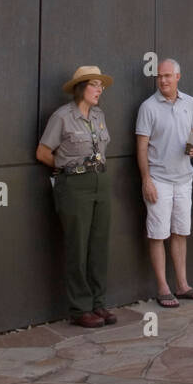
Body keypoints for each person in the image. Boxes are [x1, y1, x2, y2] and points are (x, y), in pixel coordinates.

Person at [36, 66, 117, 328]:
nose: (99, 90)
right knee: (77, 245)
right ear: (81, 88)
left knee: (99, 245)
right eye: (94, 85)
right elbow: (43, 152)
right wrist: (67, 169)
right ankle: (80, 308)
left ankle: (98, 302)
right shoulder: (62, 117)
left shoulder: (99, 115)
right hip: (74, 185)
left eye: (100, 86)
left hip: (101, 182)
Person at [135, 59, 193, 308]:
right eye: (160, 76)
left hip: (184, 178)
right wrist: (146, 180)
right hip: (159, 179)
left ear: (178, 76)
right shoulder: (148, 107)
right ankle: (163, 288)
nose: (163, 80)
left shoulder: (190, 103)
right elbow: (142, 146)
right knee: (158, 234)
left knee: (180, 232)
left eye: (168, 75)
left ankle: (182, 285)